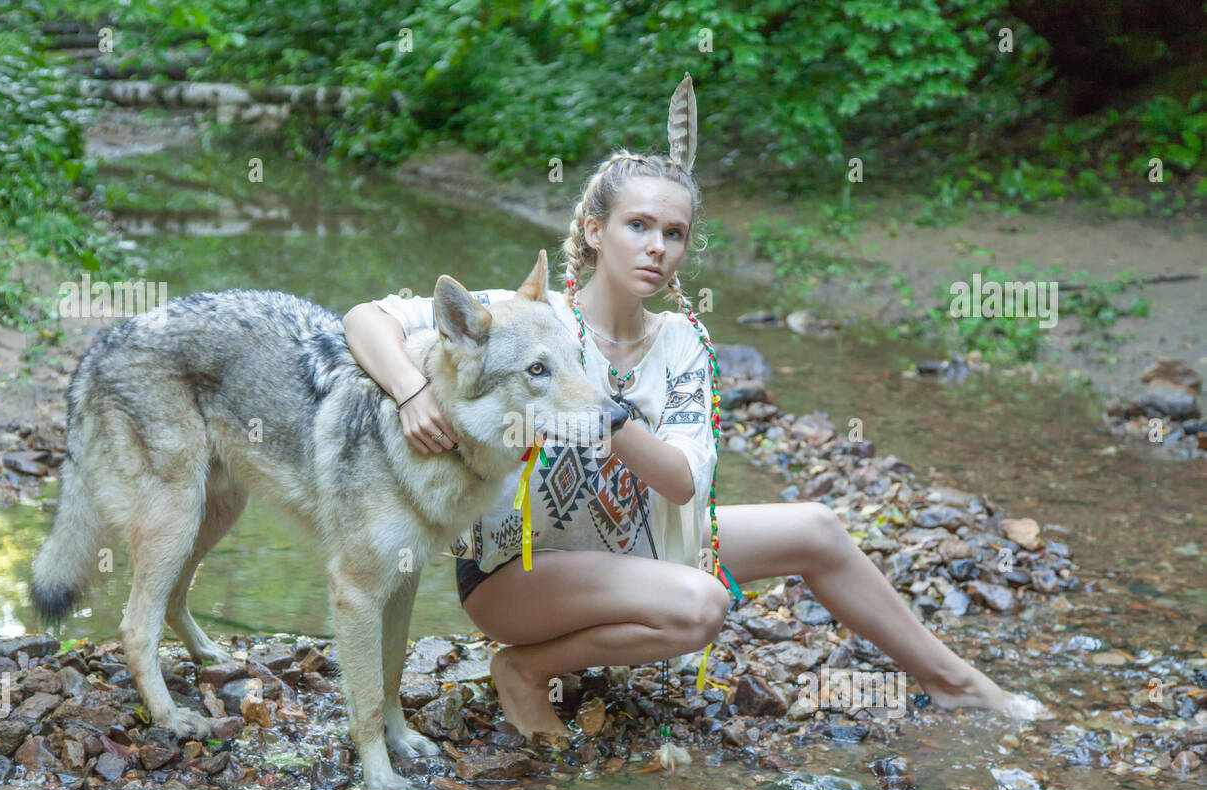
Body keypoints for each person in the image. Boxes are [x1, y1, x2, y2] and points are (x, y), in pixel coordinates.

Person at [343, 77, 1045, 739]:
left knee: (820, 528)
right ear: (594, 231)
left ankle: (956, 682)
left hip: (640, 541)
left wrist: (602, 411)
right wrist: (411, 393)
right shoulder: (534, 319)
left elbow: (682, 483)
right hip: (519, 570)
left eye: (673, 233)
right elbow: (365, 318)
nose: (656, 247)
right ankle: (524, 668)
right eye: (638, 226)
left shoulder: (684, 343)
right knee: (702, 604)